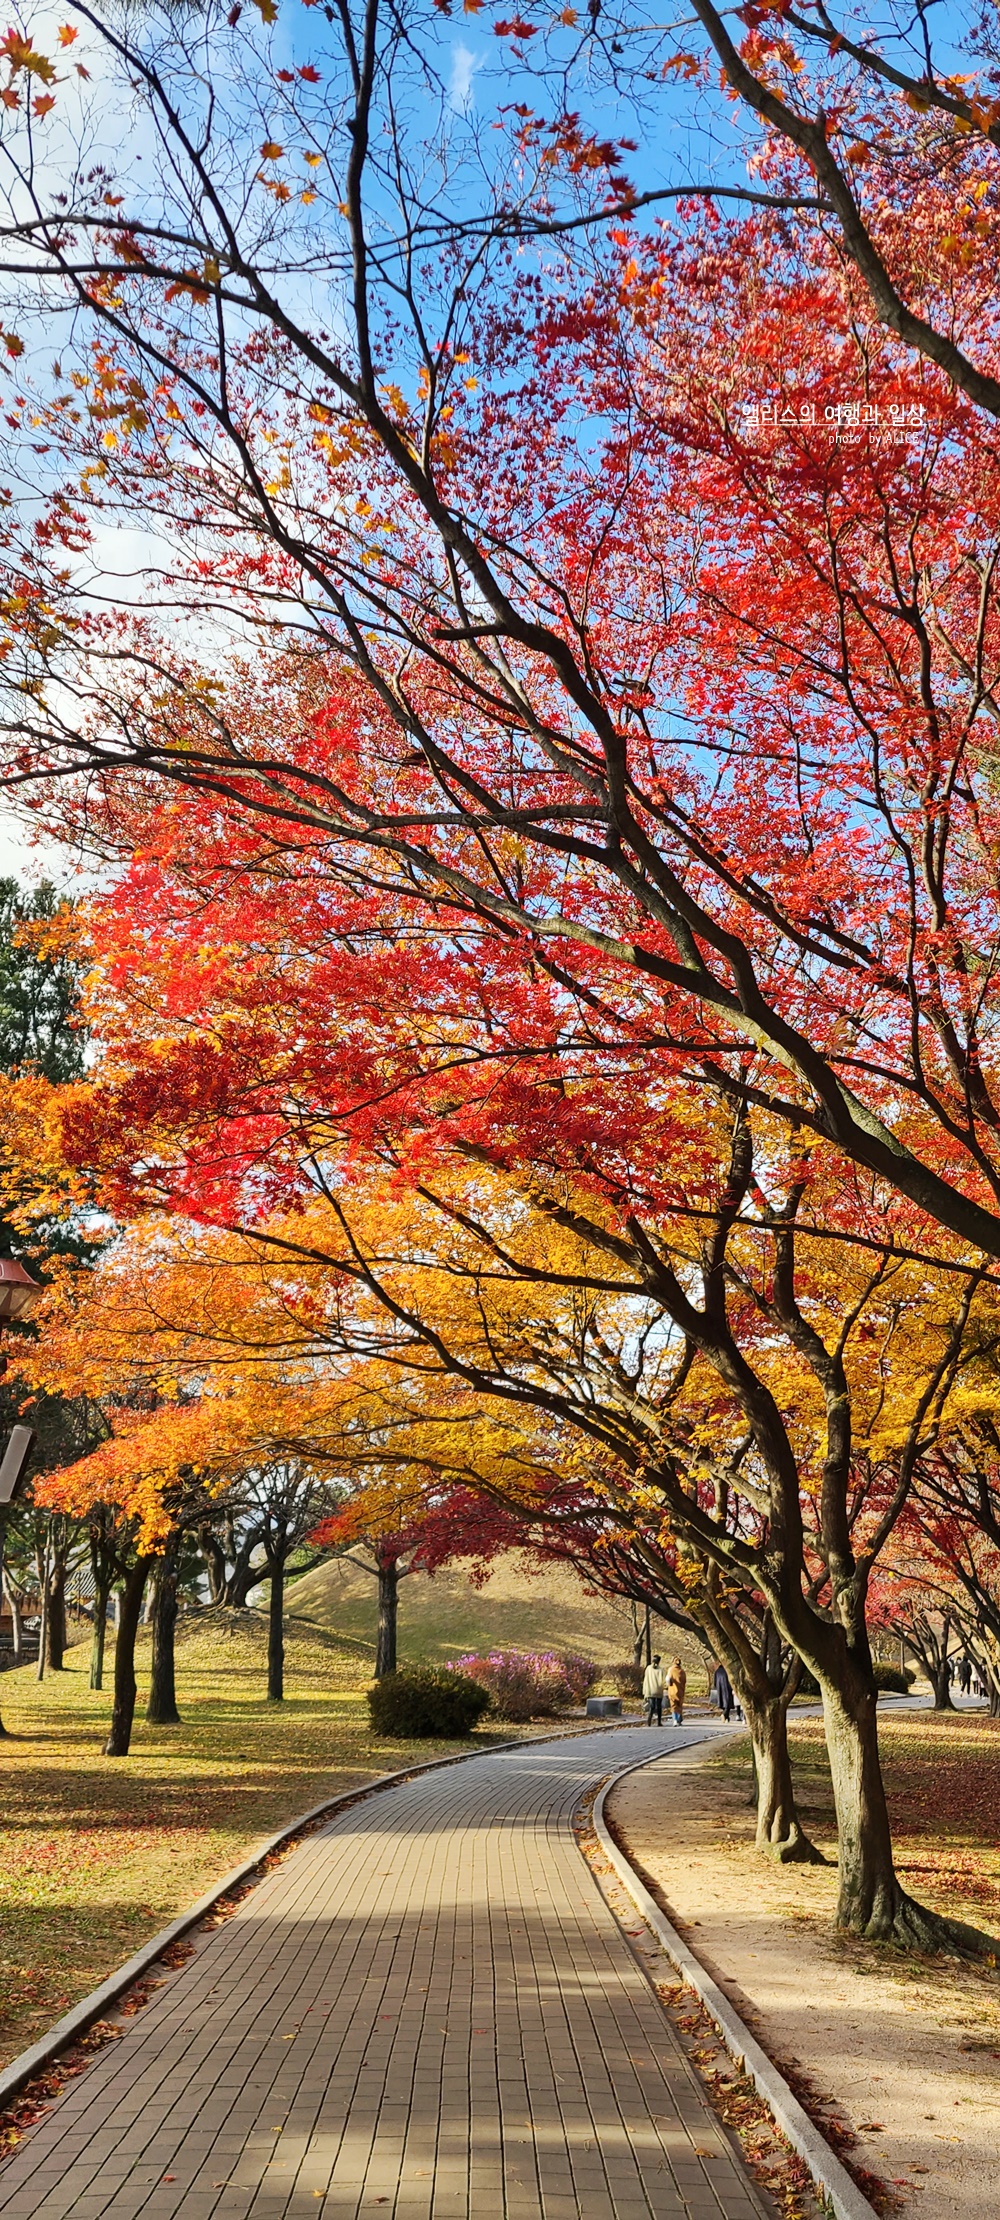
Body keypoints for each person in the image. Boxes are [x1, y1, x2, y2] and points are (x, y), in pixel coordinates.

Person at [642, 1654, 664, 1726]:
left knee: (652, 1706)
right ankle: (659, 1721)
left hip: (650, 1690)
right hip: (658, 1690)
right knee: (659, 1706)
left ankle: (649, 1720)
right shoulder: (661, 1670)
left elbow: (646, 1680)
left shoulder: (648, 1669)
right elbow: (663, 1680)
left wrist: (644, 1690)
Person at [667, 1656, 687, 1725]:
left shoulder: (671, 1670)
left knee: (673, 1705)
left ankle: (674, 1719)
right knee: (679, 1705)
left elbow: (668, 1680)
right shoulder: (682, 1671)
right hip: (680, 1691)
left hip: (672, 1690)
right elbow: (685, 1681)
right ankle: (679, 1719)